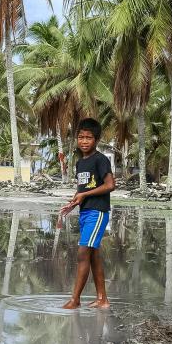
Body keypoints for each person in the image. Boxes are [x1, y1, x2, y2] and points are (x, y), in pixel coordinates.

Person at [60, 118, 115, 309]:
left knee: (83, 253)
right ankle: (102, 299)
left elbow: (110, 185)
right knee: (92, 256)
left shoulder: (100, 160)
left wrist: (84, 195)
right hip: (85, 213)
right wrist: (73, 203)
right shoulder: (80, 163)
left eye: (88, 138)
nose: (84, 141)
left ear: (96, 140)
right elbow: (81, 189)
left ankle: (75, 300)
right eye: (81, 137)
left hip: (97, 212)